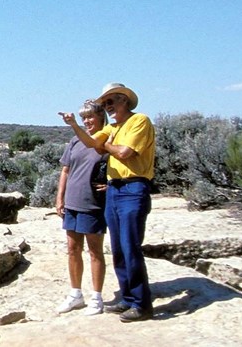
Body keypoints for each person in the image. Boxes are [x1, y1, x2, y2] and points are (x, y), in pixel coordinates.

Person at [60, 82, 156, 322]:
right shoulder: (114, 127)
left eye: (110, 102)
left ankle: (142, 304)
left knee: (130, 245)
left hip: (133, 187)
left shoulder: (139, 121)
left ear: (124, 100)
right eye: (105, 104)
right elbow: (92, 142)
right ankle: (127, 299)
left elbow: (124, 153)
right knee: (119, 248)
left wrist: (106, 143)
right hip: (115, 188)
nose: (108, 107)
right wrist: (74, 126)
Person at [54, 99, 108, 315]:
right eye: (84, 118)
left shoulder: (106, 141)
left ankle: (97, 297)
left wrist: (111, 185)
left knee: (95, 251)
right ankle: (76, 294)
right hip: (73, 201)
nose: (87, 121)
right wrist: (60, 198)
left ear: (101, 117)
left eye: (90, 117)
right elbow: (65, 170)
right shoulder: (75, 141)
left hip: (93, 204)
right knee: (73, 249)